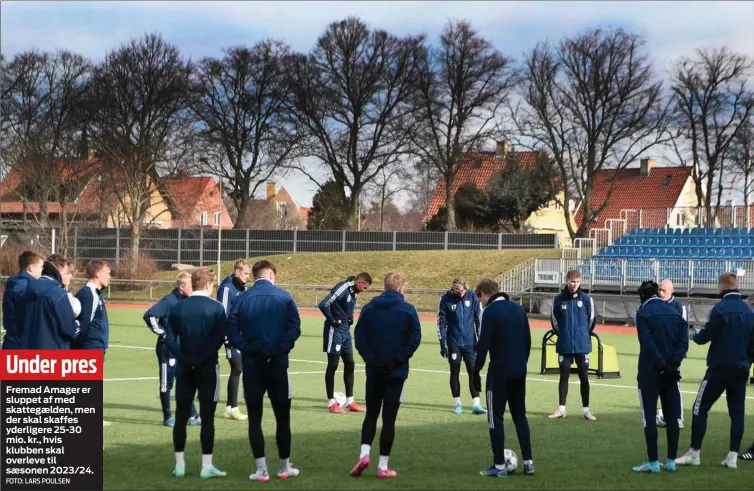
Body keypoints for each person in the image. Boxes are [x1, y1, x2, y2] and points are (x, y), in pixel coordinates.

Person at [226, 260, 302, 483]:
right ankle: (284, 466)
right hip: (278, 364)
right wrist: (282, 348)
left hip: (252, 365)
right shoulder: (285, 297)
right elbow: (295, 327)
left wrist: (246, 347)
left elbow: (231, 329)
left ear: (256, 275)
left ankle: (261, 469)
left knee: (255, 420)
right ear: (271, 275)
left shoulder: (242, 298)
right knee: (282, 418)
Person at [676, 272, 754, 469]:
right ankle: (733, 456)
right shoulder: (749, 311)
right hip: (741, 368)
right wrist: (747, 364)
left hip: (719, 368)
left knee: (699, 408)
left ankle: (694, 453)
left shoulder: (719, 309)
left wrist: (695, 334)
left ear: (721, 287)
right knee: (737, 413)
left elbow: (706, 336)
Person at [349, 272, 422, 479]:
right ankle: (382, 466)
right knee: (389, 419)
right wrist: (399, 358)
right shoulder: (407, 310)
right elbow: (415, 338)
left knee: (371, 414)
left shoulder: (369, 308)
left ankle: (364, 455)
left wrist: (370, 357)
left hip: (374, 369)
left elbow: (359, 336)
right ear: (401, 288)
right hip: (396, 371)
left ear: (384, 286)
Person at [165, 267, 227, 480]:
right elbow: (218, 339)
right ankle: (206, 465)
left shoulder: (178, 307)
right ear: (210, 285)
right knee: (208, 418)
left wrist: (183, 356)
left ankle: (179, 465)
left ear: (193, 283)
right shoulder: (217, 308)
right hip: (208, 367)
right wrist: (202, 359)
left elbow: (169, 337)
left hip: (184, 367)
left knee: (181, 415)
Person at [473, 278, 534, 477]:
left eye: (480, 299)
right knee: (520, 416)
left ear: (483, 294)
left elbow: (483, 346)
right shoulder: (518, 309)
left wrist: (476, 372)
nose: (480, 303)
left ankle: (499, 466)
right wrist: (521, 363)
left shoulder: (489, 312)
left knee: (495, 419)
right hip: (519, 371)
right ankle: (529, 462)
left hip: (499, 372)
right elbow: (527, 341)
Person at [632, 280, 689, 474]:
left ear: (642, 296)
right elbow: (684, 342)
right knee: (672, 417)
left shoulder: (642, 313)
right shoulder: (674, 312)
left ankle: (653, 461)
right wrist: (672, 363)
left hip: (650, 372)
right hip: (671, 372)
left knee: (649, 417)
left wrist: (661, 363)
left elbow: (647, 343)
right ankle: (671, 460)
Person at [144, 272, 200, 427]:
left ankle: (192, 415)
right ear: (181, 287)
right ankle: (168, 416)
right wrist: (163, 333)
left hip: (182, 349)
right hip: (167, 350)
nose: (193, 288)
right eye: (190, 286)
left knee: (186, 381)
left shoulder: (187, 301)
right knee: (166, 383)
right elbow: (150, 316)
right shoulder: (169, 300)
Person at [319, 272, 372, 413]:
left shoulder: (354, 291)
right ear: (359, 282)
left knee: (350, 363)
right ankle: (331, 403)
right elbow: (324, 304)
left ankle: (350, 402)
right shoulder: (343, 287)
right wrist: (332, 320)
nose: (365, 290)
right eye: (365, 287)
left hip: (345, 331)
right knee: (333, 364)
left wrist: (349, 318)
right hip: (335, 330)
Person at [548, 270, 597, 421]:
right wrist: (563, 333)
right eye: (571, 281)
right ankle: (561, 409)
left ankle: (586, 410)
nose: (574, 284)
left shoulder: (587, 299)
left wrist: (582, 334)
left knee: (584, 378)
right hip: (565, 344)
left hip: (582, 345)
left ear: (580, 282)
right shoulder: (558, 300)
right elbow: (554, 320)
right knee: (564, 377)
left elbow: (592, 320)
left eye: (576, 282)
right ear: (566, 281)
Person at [437, 277, 486, 415]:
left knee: (473, 372)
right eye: (457, 293)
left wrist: (480, 341)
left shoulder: (473, 296)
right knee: (455, 373)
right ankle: (457, 403)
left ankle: (476, 404)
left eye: (462, 292)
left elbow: (479, 319)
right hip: (454, 344)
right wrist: (442, 342)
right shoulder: (445, 299)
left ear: (465, 288)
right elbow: (441, 322)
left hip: (471, 344)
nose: (460, 295)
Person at [216, 259, 251, 421]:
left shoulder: (242, 287)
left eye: (249, 274)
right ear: (237, 271)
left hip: (242, 335)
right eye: (245, 273)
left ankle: (229, 407)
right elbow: (222, 315)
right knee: (237, 368)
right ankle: (234, 408)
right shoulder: (226, 288)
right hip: (231, 335)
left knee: (238, 369)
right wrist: (226, 338)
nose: (247, 277)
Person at [20, 254, 78, 349]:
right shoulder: (58, 294)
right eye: (67, 272)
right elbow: (69, 330)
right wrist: (77, 322)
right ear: (58, 272)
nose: (70, 276)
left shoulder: (25, 288)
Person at [656, 279, 687, 430]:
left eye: (664, 290)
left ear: (671, 291)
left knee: (674, 385)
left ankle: (678, 417)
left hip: (673, 354)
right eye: (659, 290)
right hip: (657, 354)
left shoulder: (679, 307)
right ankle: (664, 416)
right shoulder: (654, 304)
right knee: (657, 385)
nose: (660, 293)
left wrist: (679, 354)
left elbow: (683, 333)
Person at [1, 250, 44, 349]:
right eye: (41, 267)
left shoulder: (14, 282)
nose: (43, 270)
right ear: (31, 268)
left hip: (12, 340)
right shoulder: (26, 286)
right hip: (21, 342)